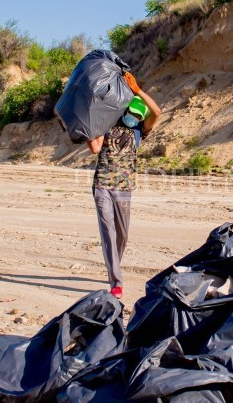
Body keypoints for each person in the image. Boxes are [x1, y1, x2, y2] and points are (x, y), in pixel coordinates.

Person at [88, 72, 161, 299]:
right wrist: (91, 126)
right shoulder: (108, 124)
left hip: (124, 188)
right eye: (132, 113)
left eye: (138, 115)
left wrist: (137, 89)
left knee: (123, 235)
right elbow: (95, 148)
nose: (134, 117)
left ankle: (114, 265)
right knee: (108, 232)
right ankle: (116, 280)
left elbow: (157, 112)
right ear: (125, 109)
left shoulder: (140, 131)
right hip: (102, 184)